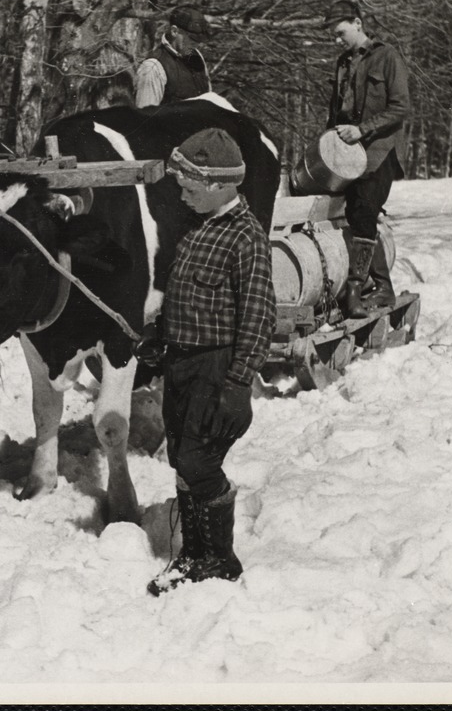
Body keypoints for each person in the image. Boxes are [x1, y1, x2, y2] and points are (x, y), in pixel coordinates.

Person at [134, 128, 276, 596]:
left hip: (217, 370)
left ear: (219, 185)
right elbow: (184, 295)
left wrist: (238, 384)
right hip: (183, 364)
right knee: (181, 457)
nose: (181, 193)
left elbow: (258, 315)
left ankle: (219, 557)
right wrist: (160, 336)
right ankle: (195, 553)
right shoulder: (198, 230)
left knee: (199, 461)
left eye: (190, 186)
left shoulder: (246, 240)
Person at [324, 0, 411, 317]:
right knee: (352, 213)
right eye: (333, 36)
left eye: (340, 32)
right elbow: (335, 113)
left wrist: (362, 130)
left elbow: (401, 108)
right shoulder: (343, 62)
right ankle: (383, 288)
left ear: (357, 23)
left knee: (362, 211)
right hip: (348, 153)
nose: (337, 40)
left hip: (380, 151)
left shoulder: (387, 57)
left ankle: (355, 293)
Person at [135, 6, 212, 107]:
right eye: (192, 40)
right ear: (174, 31)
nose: (196, 45)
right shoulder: (153, 67)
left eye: (198, 41)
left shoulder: (196, 56)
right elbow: (145, 118)